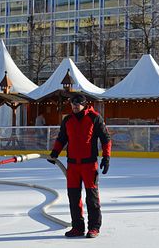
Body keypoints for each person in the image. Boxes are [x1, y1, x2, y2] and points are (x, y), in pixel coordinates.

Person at [47, 93, 111, 239]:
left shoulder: (94, 118)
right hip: (73, 166)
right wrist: (55, 153)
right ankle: (77, 227)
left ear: (84, 104)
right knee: (73, 197)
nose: (75, 107)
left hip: (89, 165)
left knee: (92, 198)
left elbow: (105, 138)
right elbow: (62, 138)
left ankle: (94, 227)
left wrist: (106, 157)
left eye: (77, 105)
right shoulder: (68, 120)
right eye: (72, 105)